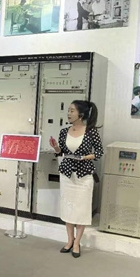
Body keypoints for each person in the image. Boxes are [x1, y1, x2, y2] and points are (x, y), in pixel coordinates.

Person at [49, 100, 104, 258]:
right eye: (68, 110)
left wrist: (85, 157)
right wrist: (55, 147)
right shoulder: (64, 131)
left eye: (72, 110)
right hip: (67, 175)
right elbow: (61, 152)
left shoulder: (91, 132)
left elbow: (99, 152)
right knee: (68, 208)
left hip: (84, 176)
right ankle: (69, 240)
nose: (69, 113)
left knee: (81, 209)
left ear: (81, 114)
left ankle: (76, 242)